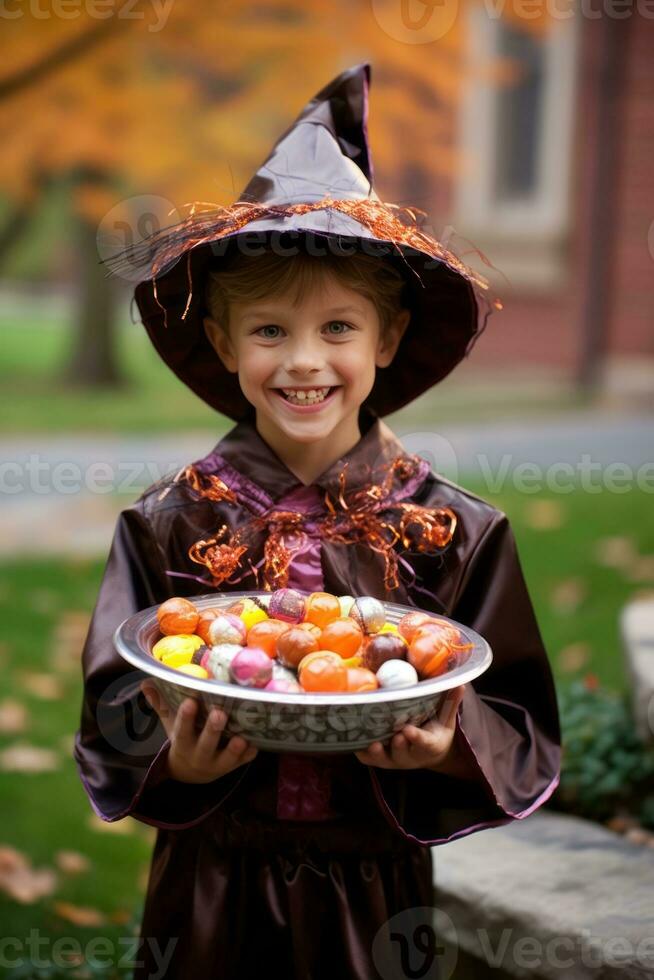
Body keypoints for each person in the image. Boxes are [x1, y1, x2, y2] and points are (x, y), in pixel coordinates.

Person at [73, 63, 561, 980]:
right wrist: (177, 764)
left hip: (374, 895)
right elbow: (110, 717)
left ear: (387, 338)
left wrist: (447, 742)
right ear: (222, 342)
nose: (305, 362)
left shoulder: (451, 530)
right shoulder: (168, 527)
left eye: (339, 328)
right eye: (268, 332)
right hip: (210, 883)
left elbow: (522, 724)